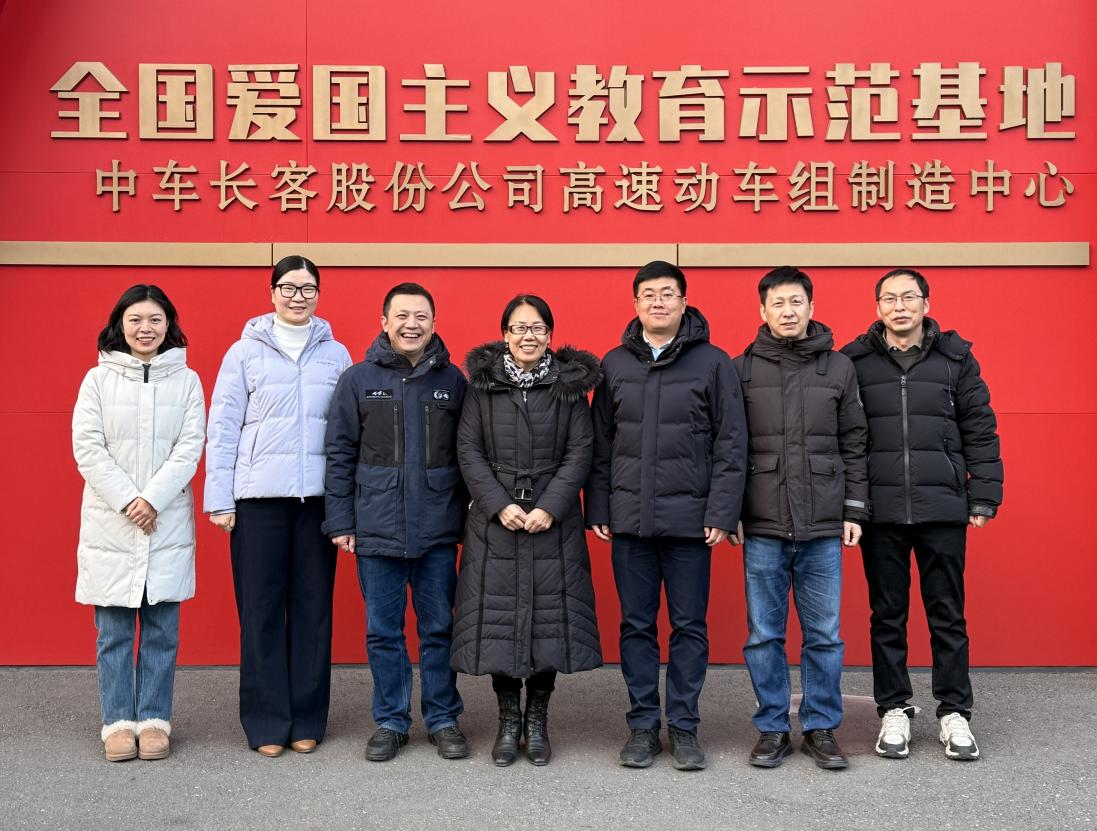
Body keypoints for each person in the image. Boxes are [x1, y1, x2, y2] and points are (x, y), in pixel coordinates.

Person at [587, 260, 748, 771]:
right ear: (635, 304)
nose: (658, 302)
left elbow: (731, 443)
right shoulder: (614, 364)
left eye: (668, 293)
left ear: (684, 302)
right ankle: (641, 726)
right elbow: (600, 443)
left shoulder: (713, 362)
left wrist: (721, 510)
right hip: (630, 522)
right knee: (636, 626)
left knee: (688, 627)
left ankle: (683, 726)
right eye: (648, 294)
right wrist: (600, 506)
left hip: (690, 523)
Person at [841, 268, 1003, 762]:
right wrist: (851, 503)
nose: (900, 306)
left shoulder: (956, 358)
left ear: (926, 304)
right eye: (889, 298)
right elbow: (846, 437)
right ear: (877, 308)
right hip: (881, 512)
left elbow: (980, 427)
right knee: (887, 616)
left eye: (909, 297)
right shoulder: (855, 361)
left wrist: (983, 495)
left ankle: (954, 712)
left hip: (942, 508)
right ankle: (894, 708)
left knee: (947, 615)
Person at [204, 255, 351, 758]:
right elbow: (223, 427)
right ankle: (267, 719)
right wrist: (220, 499)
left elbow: (347, 434)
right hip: (258, 502)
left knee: (313, 609)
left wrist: (346, 504)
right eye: (288, 287)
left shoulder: (336, 354)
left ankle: (307, 717)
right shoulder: (244, 352)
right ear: (271, 293)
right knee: (261, 610)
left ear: (318, 295)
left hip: (316, 503)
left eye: (307, 288)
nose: (297, 296)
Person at [452, 295, 603, 767]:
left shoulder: (568, 387)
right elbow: (468, 449)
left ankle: (537, 719)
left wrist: (551, 507)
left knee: (548, 621)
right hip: (494, 521)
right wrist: (498, 504)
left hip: (552, 522)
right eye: (518, 328)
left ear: (550, 335)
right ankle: (508, 719)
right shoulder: (482, 386)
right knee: (497, 620)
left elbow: (581, 451)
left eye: (537, 328)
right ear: (505, 335)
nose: (528, 336)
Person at [729, 267, 869, 770]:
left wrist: (854, 508)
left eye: (796, 302)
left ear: (811, 307)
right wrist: (730, 512)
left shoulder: (839, 367)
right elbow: (728, 447)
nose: (787, 311)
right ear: (762, 311)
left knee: (824, 634)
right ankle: (772, 727)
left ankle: (820, 727)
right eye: (778, 303)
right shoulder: (741, 369)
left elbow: (855, 440)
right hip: (762, 523)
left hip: (823, 522)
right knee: (764, 634)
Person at [323, 283, 469, 762]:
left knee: (439, 628)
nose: (412, 324)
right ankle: (391, 720)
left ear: (434, 322)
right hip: (376, 527)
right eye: (402, 316)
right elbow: (340, 453)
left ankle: (443, 718)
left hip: (437, 527)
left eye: (421, 316)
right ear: (384, 322)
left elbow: (468, 453)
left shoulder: (453, 381)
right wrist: (340, 520)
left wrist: (470, 522)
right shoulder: (358, 379)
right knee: (383, 632)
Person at [73, 284, 206, 762]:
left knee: (161, 631)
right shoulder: (97, 380)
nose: (145, 329)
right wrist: (130, 500)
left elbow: (190, 446)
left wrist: (152, 499)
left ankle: (153, 720)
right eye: (135, 320)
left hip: (164, 518)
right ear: (120, 324)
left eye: (154, 320)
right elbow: (88, 447)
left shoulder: (186, 381)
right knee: (113, 632)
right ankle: (116, 723)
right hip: (112, 521)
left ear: (168, 324)